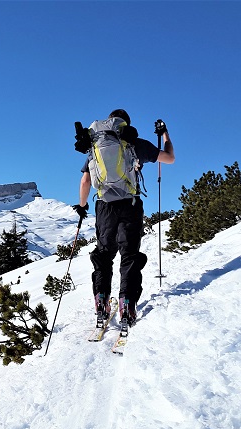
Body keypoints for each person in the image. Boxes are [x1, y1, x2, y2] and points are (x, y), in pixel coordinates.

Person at [72, 108, 175, 327]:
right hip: (130, 204)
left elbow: (85, 182)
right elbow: (170, 158)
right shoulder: (135, 143)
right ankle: (127, 304)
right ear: (125, 125)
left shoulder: (95, 146)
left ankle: (101, 302)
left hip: (104, 207)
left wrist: (82, 207)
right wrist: (165, 135)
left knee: (103, 256)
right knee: (129, 255)